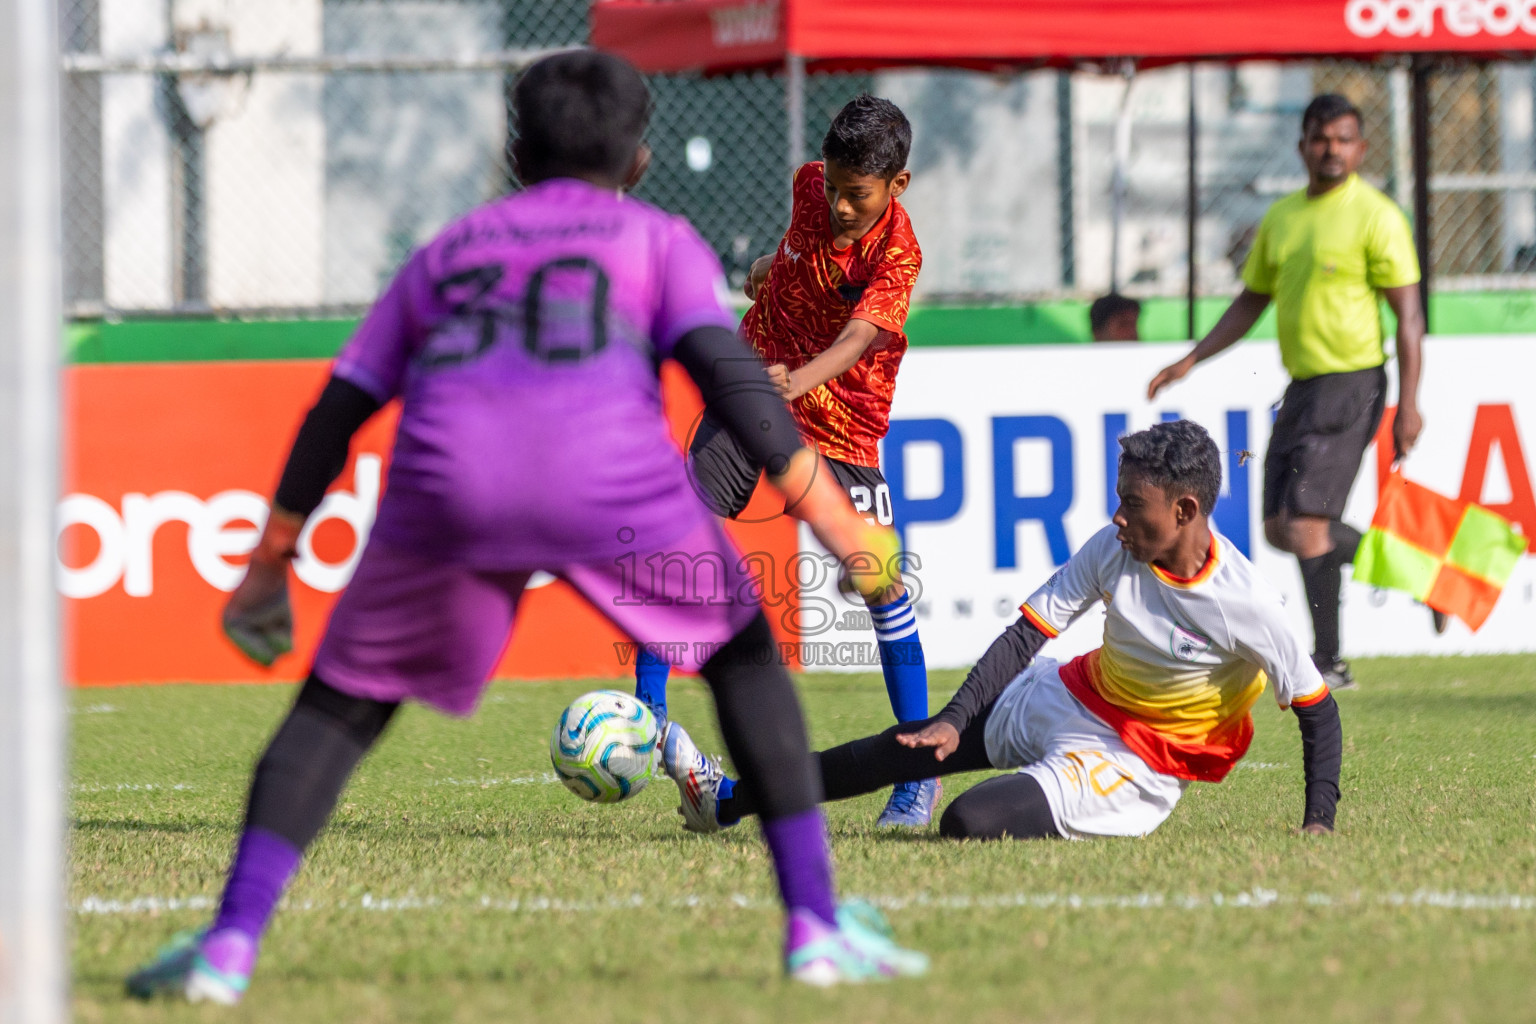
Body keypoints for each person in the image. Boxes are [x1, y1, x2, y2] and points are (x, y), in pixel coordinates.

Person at [124, 52, 927, 1003]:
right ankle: (815, 931)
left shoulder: (449, 249)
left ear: (513, 154)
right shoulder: (658, 242)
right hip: (605, 477)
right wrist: (836, 526)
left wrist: (269, 563)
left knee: (336, 711)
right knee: (745, 658)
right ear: (637, 162)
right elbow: (736, 383)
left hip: (448, 480)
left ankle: (226, 950)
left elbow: (338, 406)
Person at [659, 421, 1343, 844]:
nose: (1118, 517)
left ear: (1186, 508)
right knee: (907, 747)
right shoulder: (1114, 547)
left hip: (1137, 762)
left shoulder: (1248, 603)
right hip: (1073, 695)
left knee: (968, 823)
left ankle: (1037, 785)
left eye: (1133, 505)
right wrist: (956, 721)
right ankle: (725, 803)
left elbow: (1319, 712)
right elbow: (1025, 636)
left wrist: (1318, 824)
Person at [633, 95, 940, 828]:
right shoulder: (811, 185)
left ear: (896, 187)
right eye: (833, 185)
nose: (837, 203)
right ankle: (646, 720)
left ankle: (917, 778)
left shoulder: (900, 252)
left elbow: (860, 338)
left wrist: (797, 381)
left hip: (842, 425)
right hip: (752, 388)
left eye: (856, 195)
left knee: (881, 586)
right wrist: (771, 271)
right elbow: (803, 252)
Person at [1147, 93, 1431, 692]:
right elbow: (1253, 299)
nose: (1332, 148)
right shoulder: (1283, 218)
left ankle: (1330, 662)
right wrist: (1192, 359)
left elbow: (1408, 315)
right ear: (1303, 145)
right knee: (1280, 528)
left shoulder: (1377, 215)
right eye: (1321, 138)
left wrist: (1410, 402)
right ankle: (1419, 569)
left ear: (1361, 147)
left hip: (1353, 380)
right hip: (1302, 386)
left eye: (1344, 138)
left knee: (1305, 524)